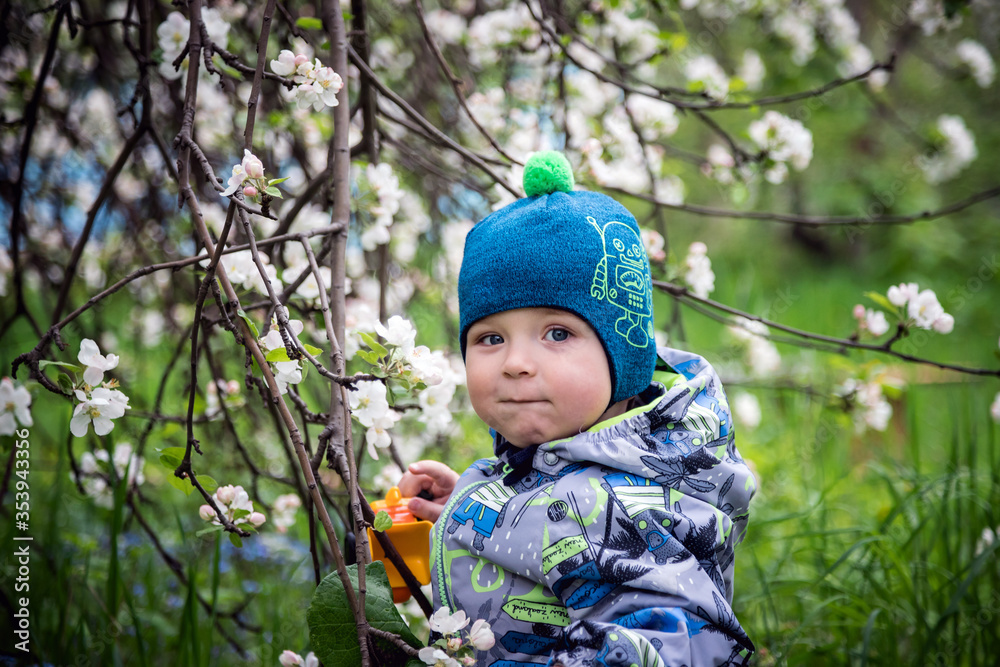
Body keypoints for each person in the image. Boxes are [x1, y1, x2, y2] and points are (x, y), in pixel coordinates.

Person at [399, 151, 756, 666]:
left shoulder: (635, 515)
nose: (516, 363)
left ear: (624, 358)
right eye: (490, 338)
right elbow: (561, 524)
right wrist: (476, 511)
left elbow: (672, 643)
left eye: (558, 333)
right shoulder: (583, 472)